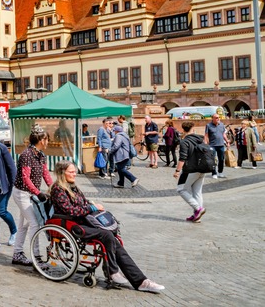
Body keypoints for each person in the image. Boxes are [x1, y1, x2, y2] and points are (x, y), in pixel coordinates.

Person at [50, 160, 165, 293]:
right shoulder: (58, 189)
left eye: (75, 171)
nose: (75, 174)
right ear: (62, 173)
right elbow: (71, 211)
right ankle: (114, 272)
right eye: (71, 171)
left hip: (82, 221)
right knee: (107, 235)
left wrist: (91, 206)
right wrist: (92, 207)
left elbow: (83, 203)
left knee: (114, 239)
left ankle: (140, 281)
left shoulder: (72, 186)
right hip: (70, 224)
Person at [11, 125, 53, 266]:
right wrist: (38, 193)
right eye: (47, 139)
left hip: (30, 193)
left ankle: (17, 254)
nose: (48, 142)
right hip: (22, 193)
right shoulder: (26, 155)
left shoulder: (41, 155)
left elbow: (46, 174)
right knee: (35, 223)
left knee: (24, 225)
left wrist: (53, 189)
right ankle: (37, 258)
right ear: (41, 140)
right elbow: (25, 178)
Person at [174, 121, 207, 222]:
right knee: (197, 192)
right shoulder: (201, 139)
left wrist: (177, 171)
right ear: (193, 128)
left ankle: (198, 208)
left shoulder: (184, 141)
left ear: (183, 129)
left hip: (191, 169)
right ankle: (197, 216)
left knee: (181, 189)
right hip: (203, 168)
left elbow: (182, 158)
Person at [204, 113, 229, 179]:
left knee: (221, 159)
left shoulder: (222, 125)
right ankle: (214, 173)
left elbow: (224, 134)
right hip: (212, 145)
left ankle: (220, 172)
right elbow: (206, 135)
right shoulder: (208, 125)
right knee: (213, 160)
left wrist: (227, 141)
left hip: (221, 145)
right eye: (216, 118)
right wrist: (205, 144)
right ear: (213, 118)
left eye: (219, 117)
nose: (218, 119)